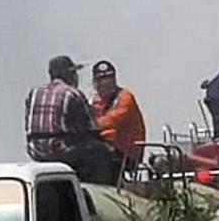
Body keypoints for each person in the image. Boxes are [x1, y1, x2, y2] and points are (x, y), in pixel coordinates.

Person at [25, 55, 120, 184]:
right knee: (101, 152)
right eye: (74, 72)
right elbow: (89, 129)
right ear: (68, 75)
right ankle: (99, 192)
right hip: (60, 150)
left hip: (35, 150)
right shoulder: (72, 94)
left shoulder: (34, 93)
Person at [89, 60, 147, 168]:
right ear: (95, 82)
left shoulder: (125, 98)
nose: (106, 82)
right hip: (108, 149)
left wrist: (88, 126)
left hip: (126, 154)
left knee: (94, 153)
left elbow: (110, 121)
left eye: (109, 78)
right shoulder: (94, 100)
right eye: (101, 79)